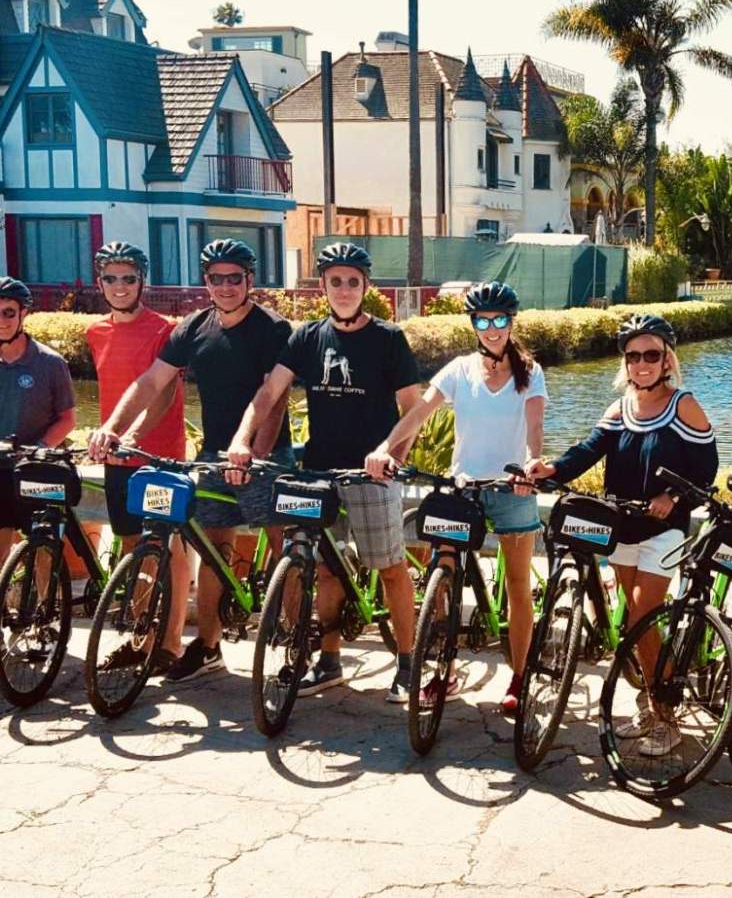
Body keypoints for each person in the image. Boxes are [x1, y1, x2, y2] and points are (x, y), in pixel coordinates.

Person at [89, 239, 293, 683]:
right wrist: (114, 428)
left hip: (265, 454)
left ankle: (297, 642)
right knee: (214, 549)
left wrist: (257, 454)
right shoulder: (193, 328)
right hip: (214, 455)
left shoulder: (273, 328)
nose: (225, 286)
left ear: (250, 281)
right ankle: (208, 646)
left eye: (234, 278)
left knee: (284, 549)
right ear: (206, 282)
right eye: (215, 278)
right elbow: (149, 383)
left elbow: (272, 399)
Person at [227, 242, 423, 703]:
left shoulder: (388, 339)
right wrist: (241, 440)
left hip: (370, 473)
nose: (344, 290)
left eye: (353, 282)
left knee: (391, 568)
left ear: (366, 287)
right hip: (317, 471)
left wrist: (388, 455)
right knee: (326, 570)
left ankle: (409, 663)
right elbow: (269, 392)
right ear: (323, 287)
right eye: (335, 281)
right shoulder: (306, 337)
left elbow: (412, 410)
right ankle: (329, 661)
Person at [526, 314, 717, 757]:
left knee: (640, 617)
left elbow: (706, 472)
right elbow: (588, 451)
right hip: (623, 527)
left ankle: (666, 717)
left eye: (652, 354)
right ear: (626, 363)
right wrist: (551, 468)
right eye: (634, 356)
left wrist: (672, 495)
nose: (642, 363)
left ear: (668, 359)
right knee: (633, 625)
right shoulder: (621, 408)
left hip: (664, 531)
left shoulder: (683, 404)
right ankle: (653, 704)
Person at [365, 281, 546, 713]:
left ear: (511, 322)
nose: (492, 328)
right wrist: (383, 450)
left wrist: (532, 465)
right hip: (463, 491)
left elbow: (535, 428)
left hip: (511, 489)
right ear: (474, 324)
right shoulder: (460, 370)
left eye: (500, 319)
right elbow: (419, 413)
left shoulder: (530, 371)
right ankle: (442, 672)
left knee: (519, 586)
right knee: (440, 580)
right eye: (483, 320)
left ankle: (519, 676)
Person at [85, 242, 189, 671]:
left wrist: (133, 434)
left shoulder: (166, 329)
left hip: (157, 457)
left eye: (129, 277)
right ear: (100, 283)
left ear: (142, 280)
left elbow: (165, 393)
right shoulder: (95, 332)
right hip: (116, 460)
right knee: (132, 549)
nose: (121, 286)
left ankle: (171, 644)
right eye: (112, 278)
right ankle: (140, 639)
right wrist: (113, 439)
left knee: (169, 548)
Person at [0, 277, 76, 568]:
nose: (2, 321)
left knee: (43, 548)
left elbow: (67, 419)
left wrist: (40, 448)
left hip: (38, 468)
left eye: (9, 312)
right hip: (0, 468)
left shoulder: (49, 362)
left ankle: (48, 610)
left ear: (23, 315)